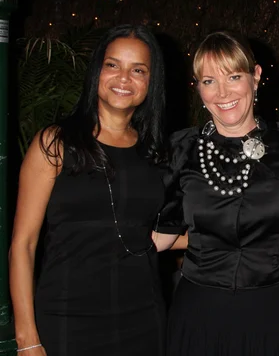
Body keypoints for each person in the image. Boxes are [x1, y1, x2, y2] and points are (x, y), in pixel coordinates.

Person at [9, 25, 167, 356]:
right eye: (113, 65)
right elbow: (23, 245)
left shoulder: (156, 153)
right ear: (97, 70)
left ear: (151, 82)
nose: (124, 78)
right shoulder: (55, 143)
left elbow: (149, 233)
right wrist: (27, 339)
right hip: (67, 320)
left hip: (143, 321)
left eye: (138, 70)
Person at [154, 31, 279, 355]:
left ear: (256, 77)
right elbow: (159, 237)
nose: (222, 92)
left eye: (234, 76)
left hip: (276, 311)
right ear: (197, 88)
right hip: (199, 312)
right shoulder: (181, 149)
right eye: (208, 81)